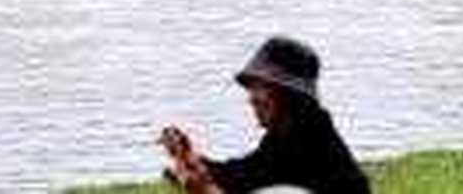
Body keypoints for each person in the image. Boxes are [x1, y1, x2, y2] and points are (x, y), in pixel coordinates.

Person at [158, 36, 371, 194]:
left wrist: (205, 189)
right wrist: (190, 158)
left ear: (288, 95)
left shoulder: (309, 140)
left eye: (260, 87)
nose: (251, 98)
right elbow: (246, 175)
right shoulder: (287, 133)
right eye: (251, 88)